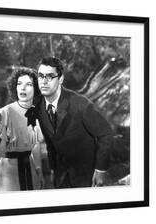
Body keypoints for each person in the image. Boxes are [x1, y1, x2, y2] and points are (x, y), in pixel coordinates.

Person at [32, 56, 113, 188]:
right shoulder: (39, 106)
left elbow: (106, 134)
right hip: (60, 177)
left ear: (61, 79)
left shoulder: (81, 104)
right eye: (41, 76)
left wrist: (100, 170)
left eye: (50, 76)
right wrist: (53, 169)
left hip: (87, 176)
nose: (44, 81)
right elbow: (50, 141)